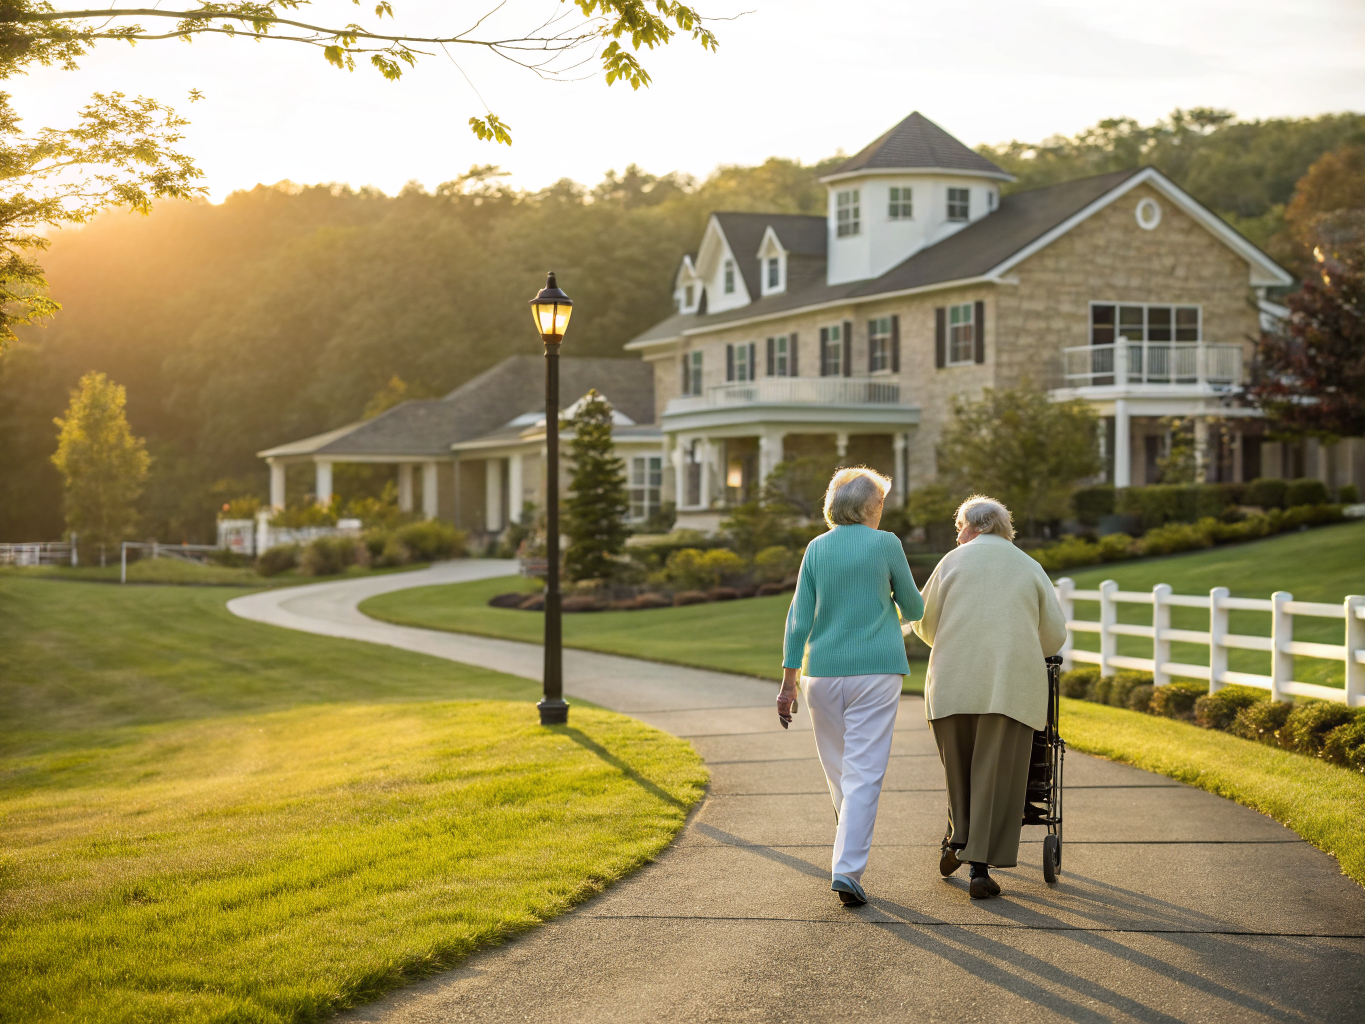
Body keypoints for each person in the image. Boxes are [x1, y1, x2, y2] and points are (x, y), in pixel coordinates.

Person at [777, 467, 923, 906]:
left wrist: (787, 685)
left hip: (820, 675)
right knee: (865, 773)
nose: (882, 511)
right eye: (880, 504)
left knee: (840, 771)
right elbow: (914, 606)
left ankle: (846, 855)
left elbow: (797, 619)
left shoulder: (816, 548)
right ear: (869, 507)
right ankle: (846, 869)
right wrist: (889, 597)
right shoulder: (886, 544)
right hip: (875, 671)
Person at [911, 495, 1067, 900]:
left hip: (951, 685)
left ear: (975, 527)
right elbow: (1053, 636)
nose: (958, 535)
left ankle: (957, 838)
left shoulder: (951, 562)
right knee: (994, 776)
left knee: (958, 773)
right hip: (1010, 688)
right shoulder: (1029, 566)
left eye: (960, 527)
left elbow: (924, 624)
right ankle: (978, 867)